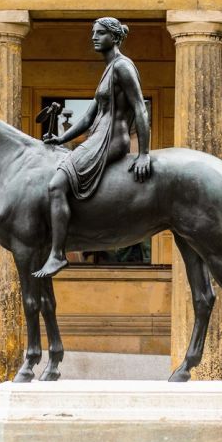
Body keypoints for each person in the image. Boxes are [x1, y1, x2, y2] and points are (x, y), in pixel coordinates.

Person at [32, 17, 151, 278]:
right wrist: (60, 140)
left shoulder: (123, 67)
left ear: (115, 37)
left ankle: (57, 255)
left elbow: (140, 107)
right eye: (93, 33)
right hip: (97, 137)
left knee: (56, 185)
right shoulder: (109, 70)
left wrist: (143, 152)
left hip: (111, 140)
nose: (93, 37)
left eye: (100, 33)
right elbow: (87, 118)